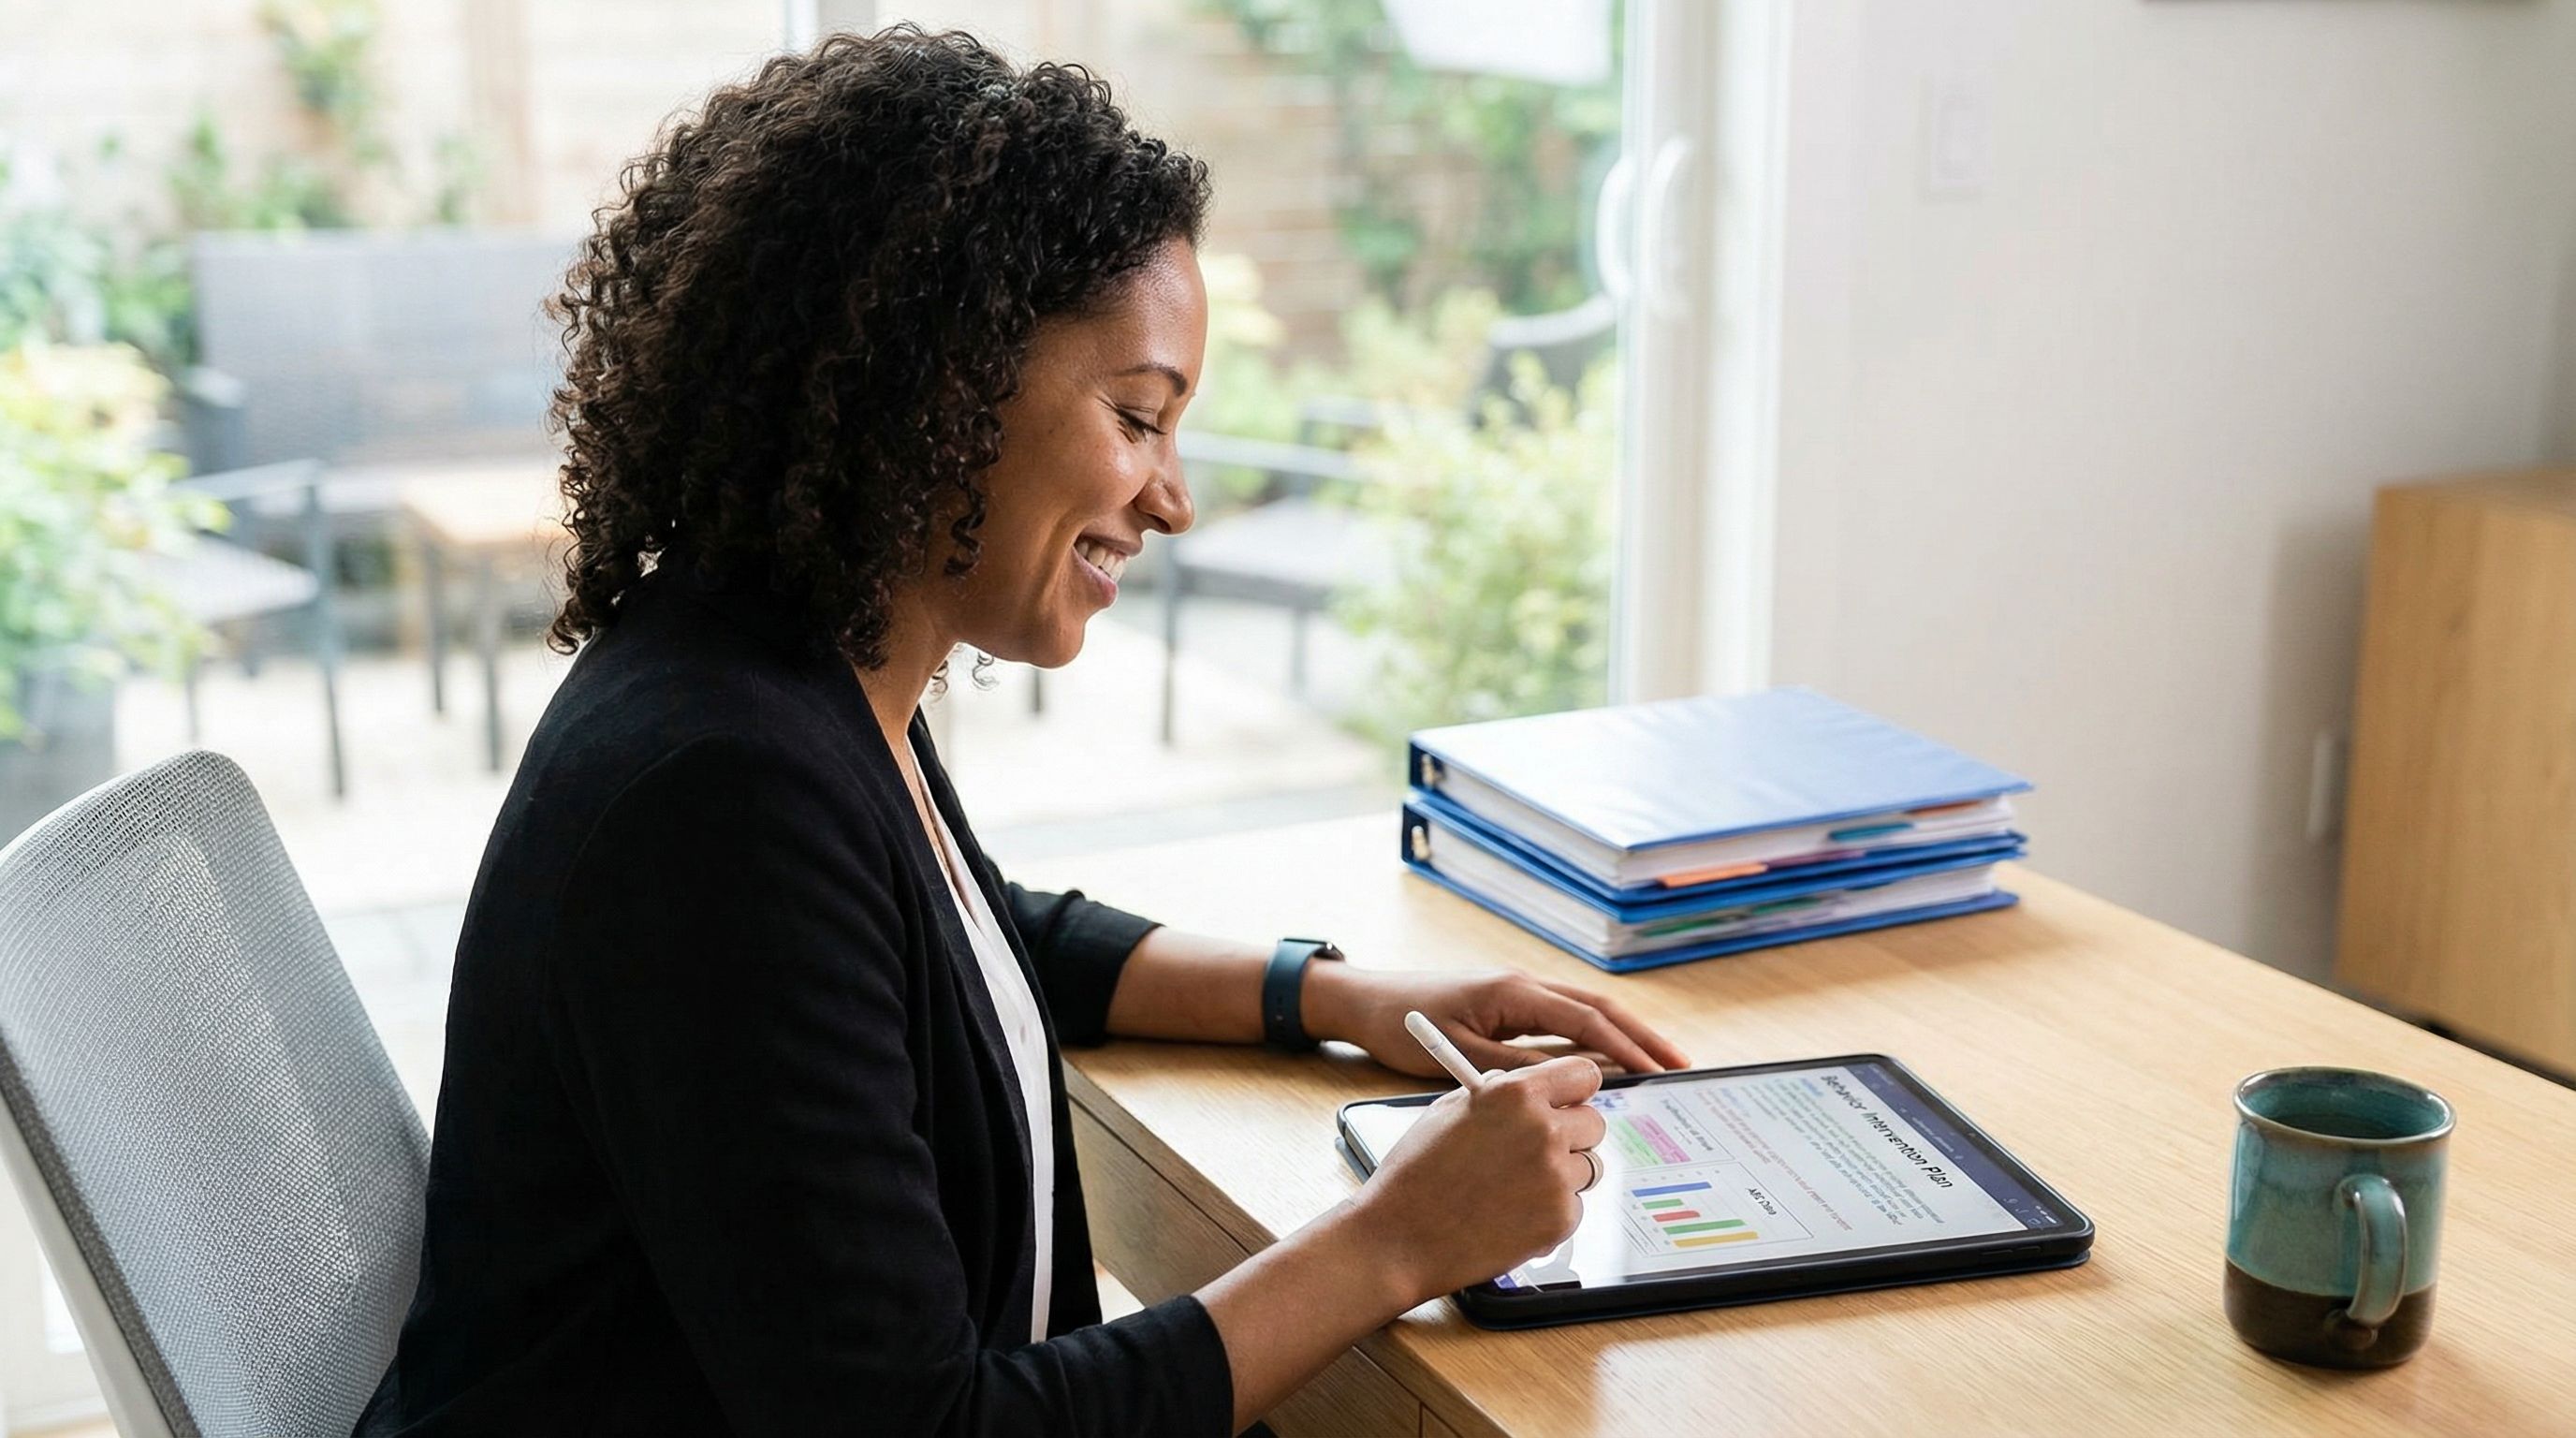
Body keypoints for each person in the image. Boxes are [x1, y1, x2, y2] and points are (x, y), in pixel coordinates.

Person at [356, 27, 1687, 1437]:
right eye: (1137, 417)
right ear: (938, 380)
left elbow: (972, 942)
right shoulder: (720, 794)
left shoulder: (789, 665)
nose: (1172, 498)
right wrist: (1399, 1241)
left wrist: (1345, 998)